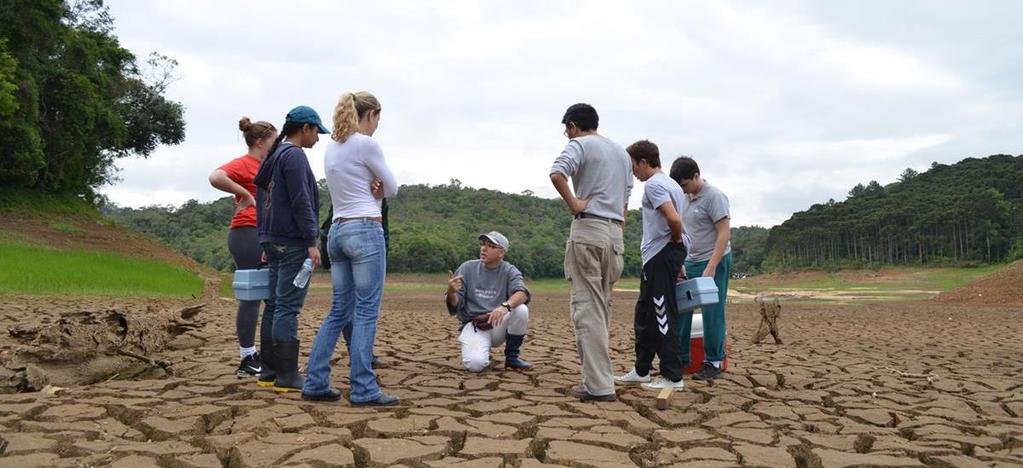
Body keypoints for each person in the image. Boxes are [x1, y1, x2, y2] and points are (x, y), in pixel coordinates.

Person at [301, 91, 400, 406]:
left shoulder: (332, 148)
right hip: (365, 230)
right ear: (371, 115)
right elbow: (393, 189)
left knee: (338, 311)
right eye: (378, 119)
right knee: (367, 310)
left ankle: (316, 380)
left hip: (337, 232)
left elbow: (358, 188)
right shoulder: (365, 144)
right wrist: (379, 189)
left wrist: (374, 188)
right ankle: (363, 387)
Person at [549, 103, 633, 402]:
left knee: (588, 310)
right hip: (614, 236)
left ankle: (599, 386)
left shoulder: (580, 145)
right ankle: (597, 378)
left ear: (573, 126)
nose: (566, 136)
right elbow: (626, 196)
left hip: (589, 230)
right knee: (602, 309)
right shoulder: (622, 153)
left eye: (566, 130)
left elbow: (557, 173)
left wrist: (575, 204)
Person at [252, 105, 328, 393]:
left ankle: (268, 371)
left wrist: (263, 237)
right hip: (293, 242)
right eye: (316, 132)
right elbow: (301, 201)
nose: (318, 139)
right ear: (305, 128)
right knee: (287, 307)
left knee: (273, 305)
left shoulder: (274, 155)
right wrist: (312, 241)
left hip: (272, 240)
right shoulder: (294, 155)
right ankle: (287, 375)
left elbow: (262, 200)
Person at [615, 140, 688, 391]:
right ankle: (642, 369)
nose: (633, 172)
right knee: (645, 313)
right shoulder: (672, 184)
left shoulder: (655, 185)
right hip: (660, 256)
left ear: (643, 162)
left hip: (660, 254)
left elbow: (674, 220)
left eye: (633, 165)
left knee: (661, 313)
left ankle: (672, 376)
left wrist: (674, 245)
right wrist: (677, 255)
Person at [208, 117, 277, 378]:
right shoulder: (246, 163)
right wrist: (245, 195)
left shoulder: (266, 165)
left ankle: (262, 357)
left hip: (262, 233)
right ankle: (247, 358)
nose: (277, 144)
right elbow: (216, 176)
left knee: (267, 295)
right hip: (247, 232)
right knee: (252, 296)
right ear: (260, 141)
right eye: (273, 139)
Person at [669, 156, 732, 381]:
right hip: (690, 260)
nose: (684, 190)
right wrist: (679, 263)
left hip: (715, 260)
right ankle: (681, 359)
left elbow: (724, 232)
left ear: (696, 175)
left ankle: (714, 361)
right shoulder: (683, 198)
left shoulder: (715, 197)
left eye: (685, 184)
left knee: (712, 312)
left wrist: (712, 266)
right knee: (682, 309)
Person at [445, 232, 532, 373]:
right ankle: (482, 352)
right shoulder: (467, 268)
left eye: (490, 246)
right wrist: (451, 292)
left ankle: (512, 358)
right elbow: (455, 306)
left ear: (501, 253)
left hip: (497, 323)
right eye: (483, 245)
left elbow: (522, 293)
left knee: (521, 309)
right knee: (475, 365)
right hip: (475, 325)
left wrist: (504, 307)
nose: (484, 249)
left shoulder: (509, 270)